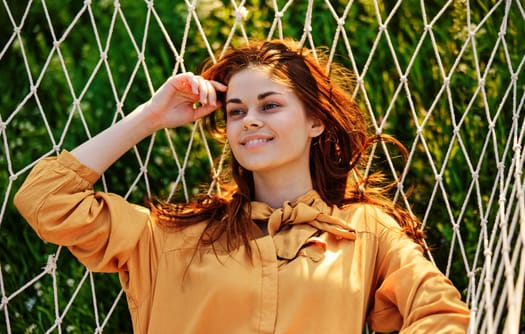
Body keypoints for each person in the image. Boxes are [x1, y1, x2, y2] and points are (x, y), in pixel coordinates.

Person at [14, 39, 470, 333]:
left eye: (270, 105)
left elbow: (440, 314)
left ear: (315, 121)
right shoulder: (170, 236)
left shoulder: (364, 229)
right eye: (235, 110)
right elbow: (46, 200)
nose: (249, 119)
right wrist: (150, 117)